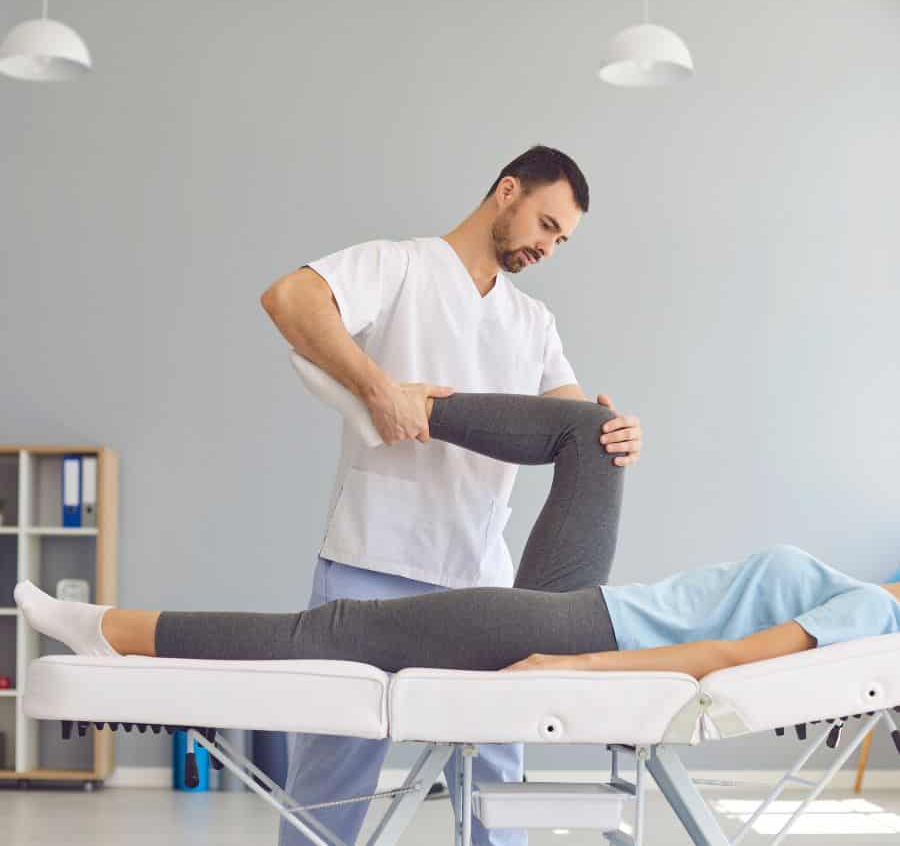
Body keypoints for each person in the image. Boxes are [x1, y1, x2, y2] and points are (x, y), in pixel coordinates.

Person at [256, 144, 643, 846]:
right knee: (331, 781)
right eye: (547, 224)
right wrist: (380, 389)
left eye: (563, 239)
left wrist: (610, 433)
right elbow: (290, 299)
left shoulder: (534, 325)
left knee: (498, 781)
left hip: (480, 578)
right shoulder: (400, 266)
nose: (550, 247)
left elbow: (568, 422)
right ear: (507, 192)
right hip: (373, 559)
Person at [15, 389, 900, 681]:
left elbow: (727, 660)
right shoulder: (869, 598)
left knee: (335, 634)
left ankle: (107, 632)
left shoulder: (869, 614)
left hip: (582, 635)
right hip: (593, 604)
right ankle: (409, 400)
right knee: (594, 429)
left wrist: (570, 668)